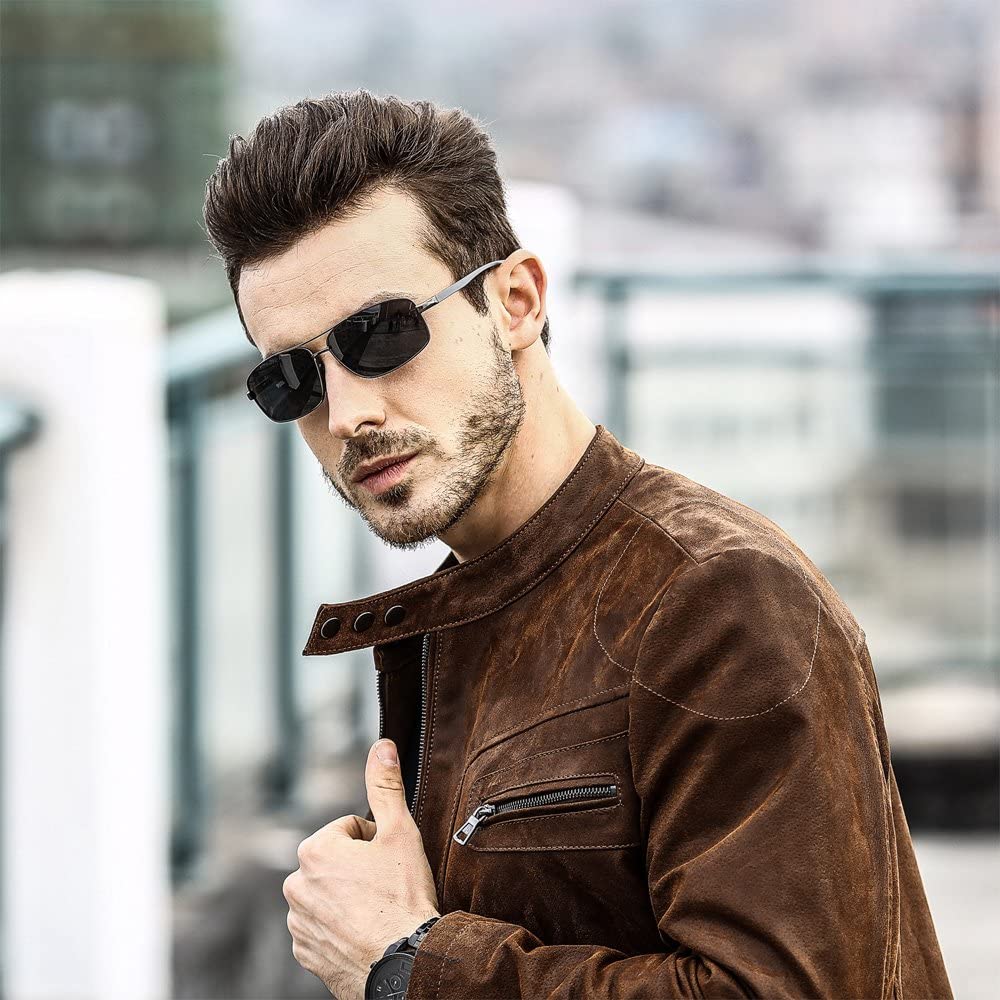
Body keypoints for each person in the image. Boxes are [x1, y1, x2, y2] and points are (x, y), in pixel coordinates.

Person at [202, 89, 953, 1000]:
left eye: (382, 333)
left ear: (515, 302)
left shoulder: (721, 600)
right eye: (293, 379)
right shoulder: (473, 608)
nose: (349, 414)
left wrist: (407, 960)